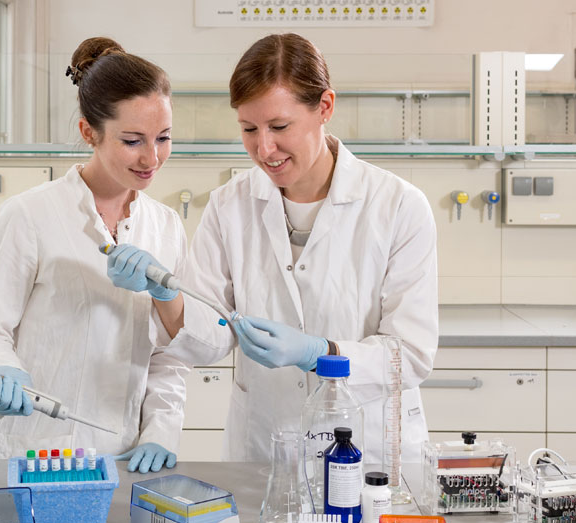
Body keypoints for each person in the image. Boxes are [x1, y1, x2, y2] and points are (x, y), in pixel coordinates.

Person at [105, 33, 437, 463]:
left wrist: (322, 353)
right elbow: (207, 339)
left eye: (280, 127)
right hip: (267, 446)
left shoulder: (398, 206)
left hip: (368, 449)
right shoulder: (229, 204)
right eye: (249, 129)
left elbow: (409, 355)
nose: (264, 148)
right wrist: (166, 296)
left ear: (325, 108)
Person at [0, 37, 188, 473]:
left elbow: (168, 357)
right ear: (89, 132)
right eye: (133, 140)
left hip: (123, 459)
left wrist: (161, 429)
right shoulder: (29, 215)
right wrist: (0, 369)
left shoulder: (166, 227)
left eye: (163, 138)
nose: (152, 157)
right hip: (33, 453)